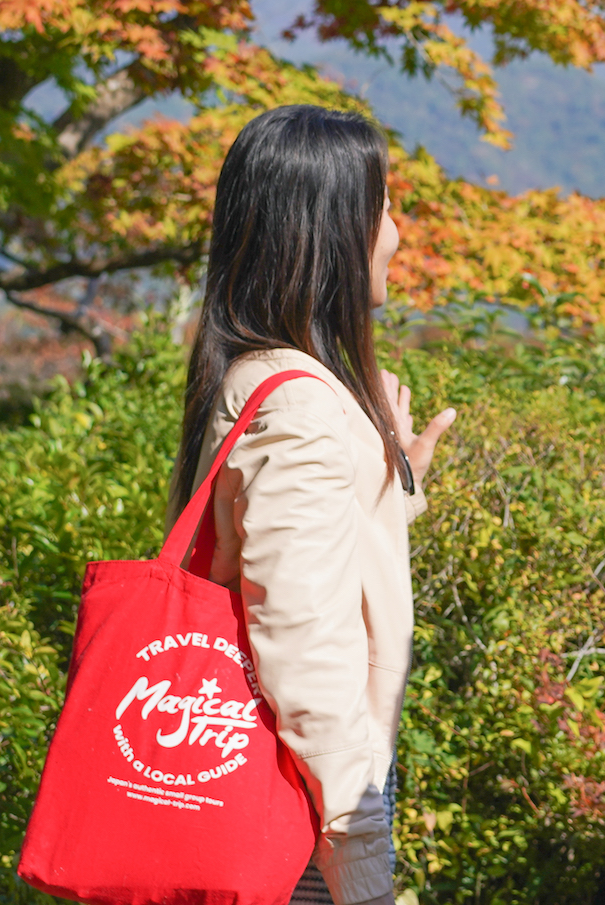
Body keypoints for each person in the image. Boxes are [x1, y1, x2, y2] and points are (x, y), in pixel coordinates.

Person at [167, 105, 458, 905]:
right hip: (299, 822)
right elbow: (302, 646)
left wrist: (387, 485)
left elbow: (304, 567)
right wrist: (361, 852)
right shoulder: (298, 406)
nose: (396, 232)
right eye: (386, 207)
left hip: (280, 796)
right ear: (334, 228)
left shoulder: (257, 374)